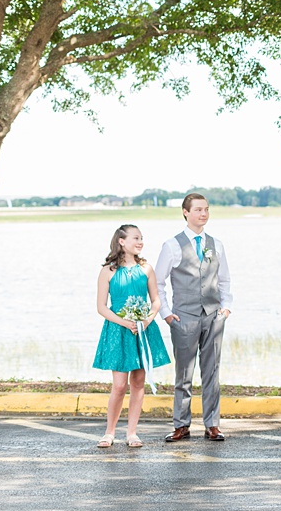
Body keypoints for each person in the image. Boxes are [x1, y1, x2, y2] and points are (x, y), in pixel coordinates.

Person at [155, 192, 233, 442]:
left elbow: (224, 280)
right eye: (198, 209)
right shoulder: (172, 245)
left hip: (213, 316)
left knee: (212, 371)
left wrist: (226, 308)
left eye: (206, 209)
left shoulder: (216, 244)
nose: (204, 214)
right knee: (184, 372)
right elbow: (157, 282)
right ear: (185, 212)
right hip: (183, 317)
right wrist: (166, 314)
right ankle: (181, 424)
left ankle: (212, 424)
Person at [93, 224, 171, 448]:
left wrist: (147, 319)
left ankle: (132, 433)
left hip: (143, 330)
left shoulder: (146, 268)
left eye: (142, 238)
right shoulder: (108, 271)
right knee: (119, 385)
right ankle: (109, 432)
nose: (140, 242)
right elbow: (102, 307)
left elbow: (156, 300)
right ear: (121, 241)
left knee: (138, 382)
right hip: (118, 330)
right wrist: (125, 322)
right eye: (136, 238)